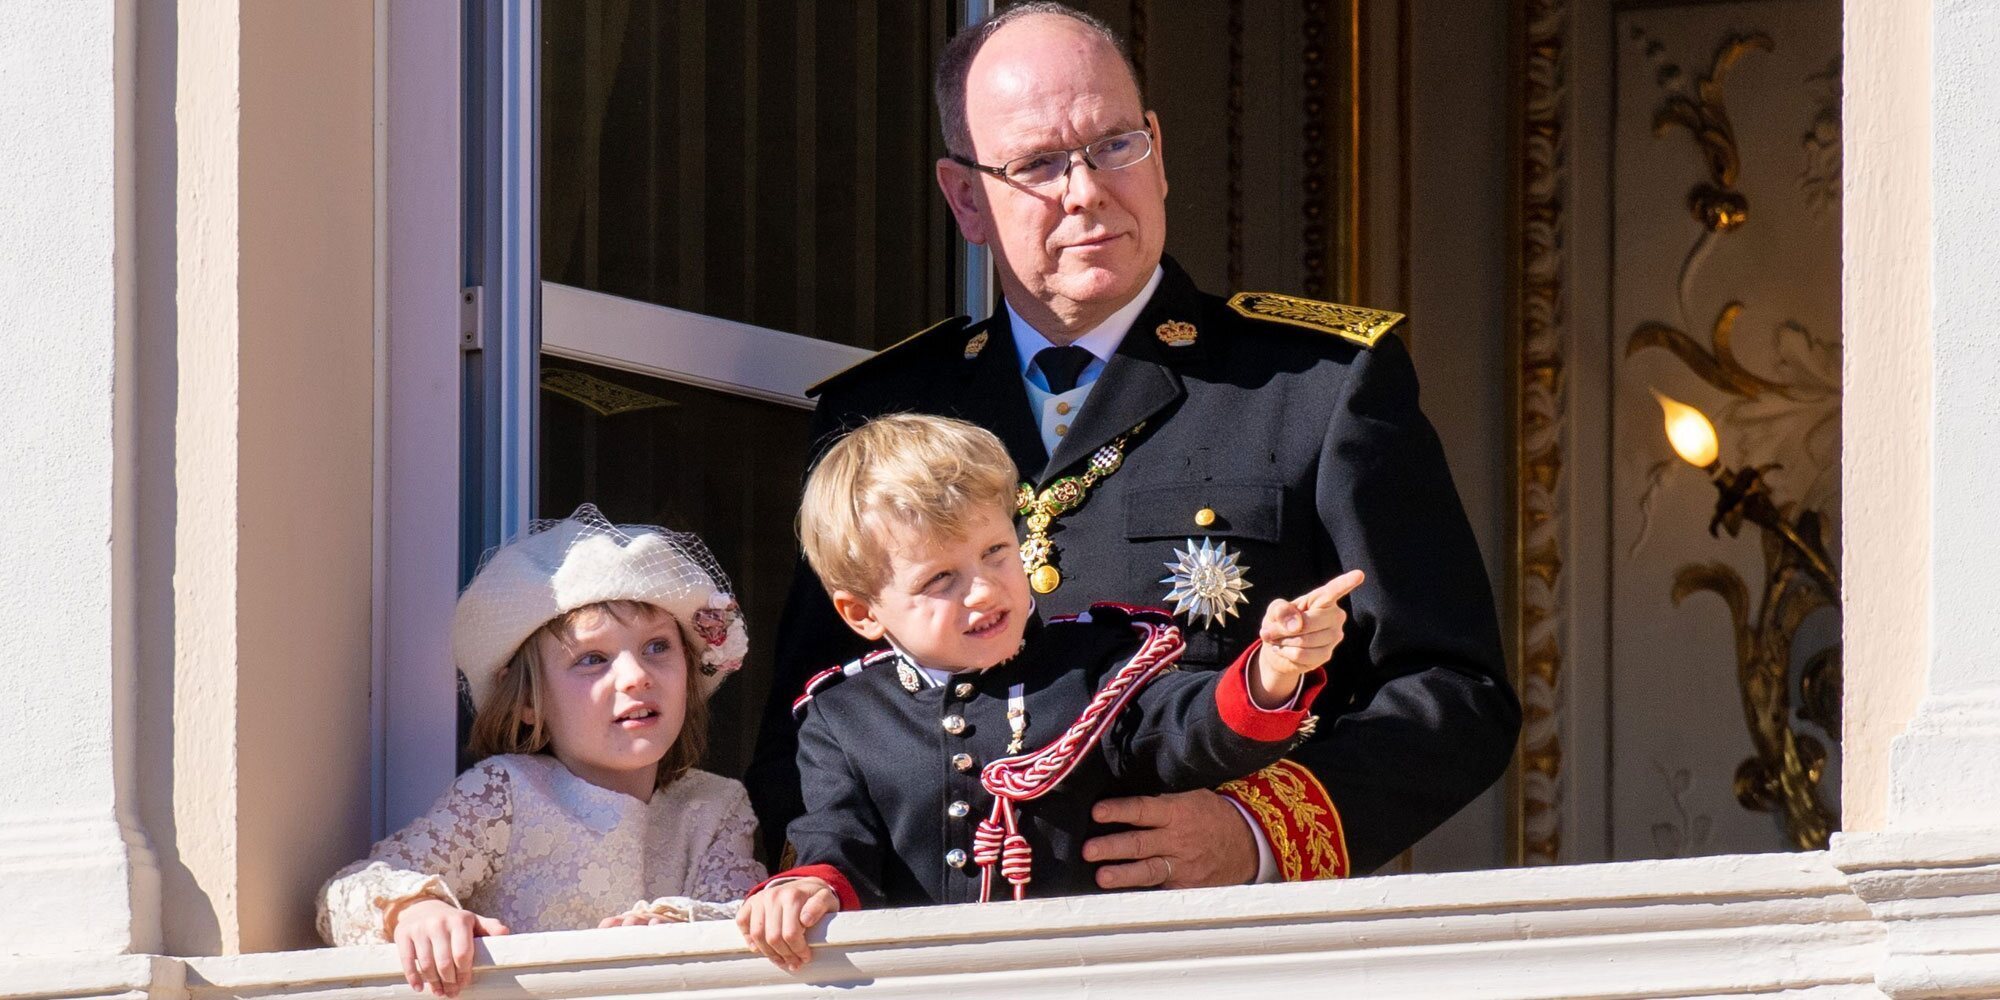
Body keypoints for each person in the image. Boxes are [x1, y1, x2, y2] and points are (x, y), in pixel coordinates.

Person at [748, 2, 1517, 888]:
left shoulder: (1315, 387)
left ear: (1157, 149)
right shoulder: (883, 411)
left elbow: (1453, 696)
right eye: (1038, 164)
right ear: (967, 197)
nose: (1086, 190)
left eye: (1115, 146)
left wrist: (1255, 833)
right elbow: (803, 727)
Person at [736, 414, 1344, 971]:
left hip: (1103, 973)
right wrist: (808, 887)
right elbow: (837, 842)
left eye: (996, 552)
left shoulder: (1097, 663)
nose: (983, 590)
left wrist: (1273, 670)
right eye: (941, 578)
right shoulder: (843, 715)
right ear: (862, 612)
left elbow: (1190, 730)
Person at [318, 505, 766, 997]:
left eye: (657, 647)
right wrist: (416, 911)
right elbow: (349, 891)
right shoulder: (506, 794)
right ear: (529, 701)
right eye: (593, 659)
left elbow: (742, 927)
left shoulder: (715, 807)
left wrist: (675, 931)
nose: (637, 675)